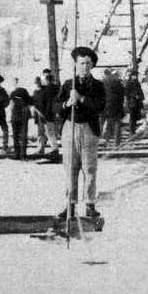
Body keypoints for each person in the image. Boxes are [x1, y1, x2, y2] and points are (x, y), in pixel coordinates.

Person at [57, 47, 104, 226]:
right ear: (76, 65)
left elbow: (100, 106)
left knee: (89, 168)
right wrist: (66, 103)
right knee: (70, 167)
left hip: (88, 129)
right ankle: (70, 204)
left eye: (87, 63)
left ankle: (90, 204)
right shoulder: (68, 84)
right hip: (70, 128)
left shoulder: (98, 85)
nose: (84, 66)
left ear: (92, 65)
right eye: (81, 63)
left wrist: (81, 98)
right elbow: (55, 107)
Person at [34, 69, 62, 161]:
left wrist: (44, 114)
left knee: (49, 132)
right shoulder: (49, 88)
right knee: (44, 132)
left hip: (47, 114)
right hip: (45, 113)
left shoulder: (50, 89)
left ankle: (54, 149)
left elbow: (49, 103)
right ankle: (43, 148)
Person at [101, 68, 126, 145]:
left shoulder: (102, 82)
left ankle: (106, 139)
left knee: (108, 122)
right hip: (117, 106)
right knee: (117, 123)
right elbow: (122, 94)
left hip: (106, 106)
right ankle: (117, 142)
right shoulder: (118, 82)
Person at [8, 82, 32, 161]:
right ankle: (22, 155)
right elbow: (30, 103)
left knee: (16, 136)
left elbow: (11, 107)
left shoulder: (13, 96)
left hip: (16, 118)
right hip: (22, 117)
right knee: (23, 137)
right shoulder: (25, 96)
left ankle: (17, 154)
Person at [124, 67, 144, 133]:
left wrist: (141, 97)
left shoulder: (137, 83)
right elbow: (126, 93)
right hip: (132, 103)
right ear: (131, 76)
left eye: (135, 76)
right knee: (132, 117)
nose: (135, 77)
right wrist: (134, 96)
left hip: (137, 103)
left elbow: (140, 91)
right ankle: (131, 130)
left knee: (135, 117)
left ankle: (133, 130)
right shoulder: (129, 83)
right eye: (134, 76)